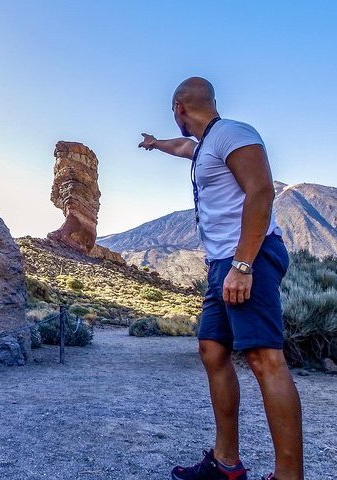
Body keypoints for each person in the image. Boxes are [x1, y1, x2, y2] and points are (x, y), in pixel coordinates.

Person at [138, 77, 303, 480]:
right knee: (213, 350)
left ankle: (289, 476)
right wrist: (156, 143)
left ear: (179, 107)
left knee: (265, 359)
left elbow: (261, 191)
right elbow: (182, 148)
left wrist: (243, 264)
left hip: (248, 255)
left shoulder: (233, 132)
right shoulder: (205, 145)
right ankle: (226, 464)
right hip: (220, 264)